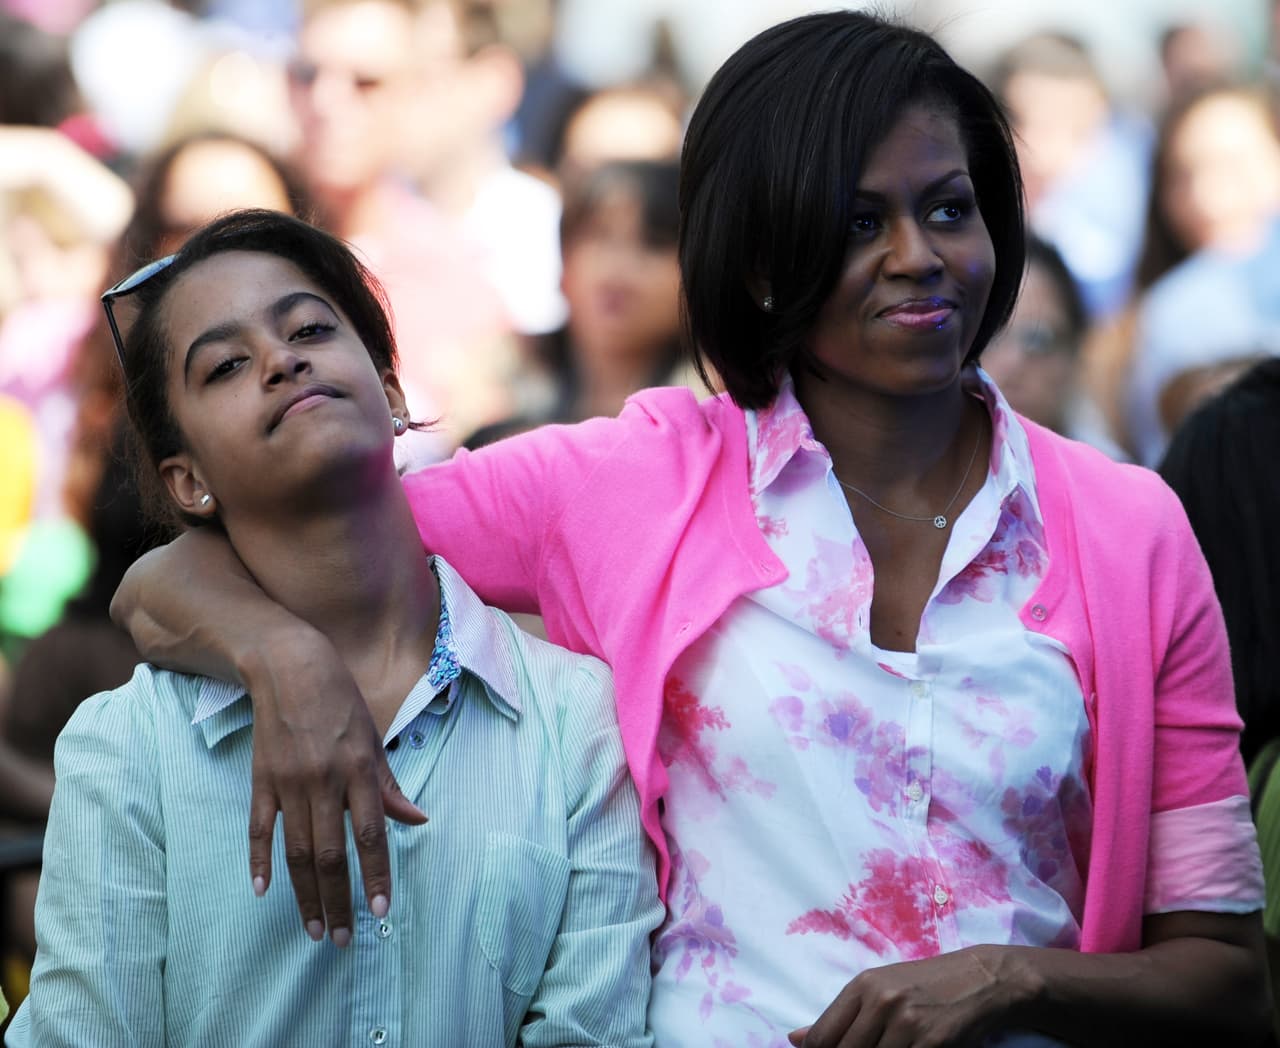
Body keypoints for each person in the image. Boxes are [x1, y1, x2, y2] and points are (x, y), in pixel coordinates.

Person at [114, 13, 1269, 1047]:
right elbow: (200, 568)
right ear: (760, 261)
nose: (916, 255)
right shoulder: (635, 480)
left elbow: (1222, 973)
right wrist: (282, 659)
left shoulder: (1126, 528)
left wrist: (1009, 978)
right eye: (857, 220)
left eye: (946, 208)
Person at [7, 210, 660, 1045]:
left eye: (310, 328)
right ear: (187, 480)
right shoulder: (131, 748)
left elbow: (593, 1029)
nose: (282, 360)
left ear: (391, 391)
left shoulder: (575, 719)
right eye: (226, 365)